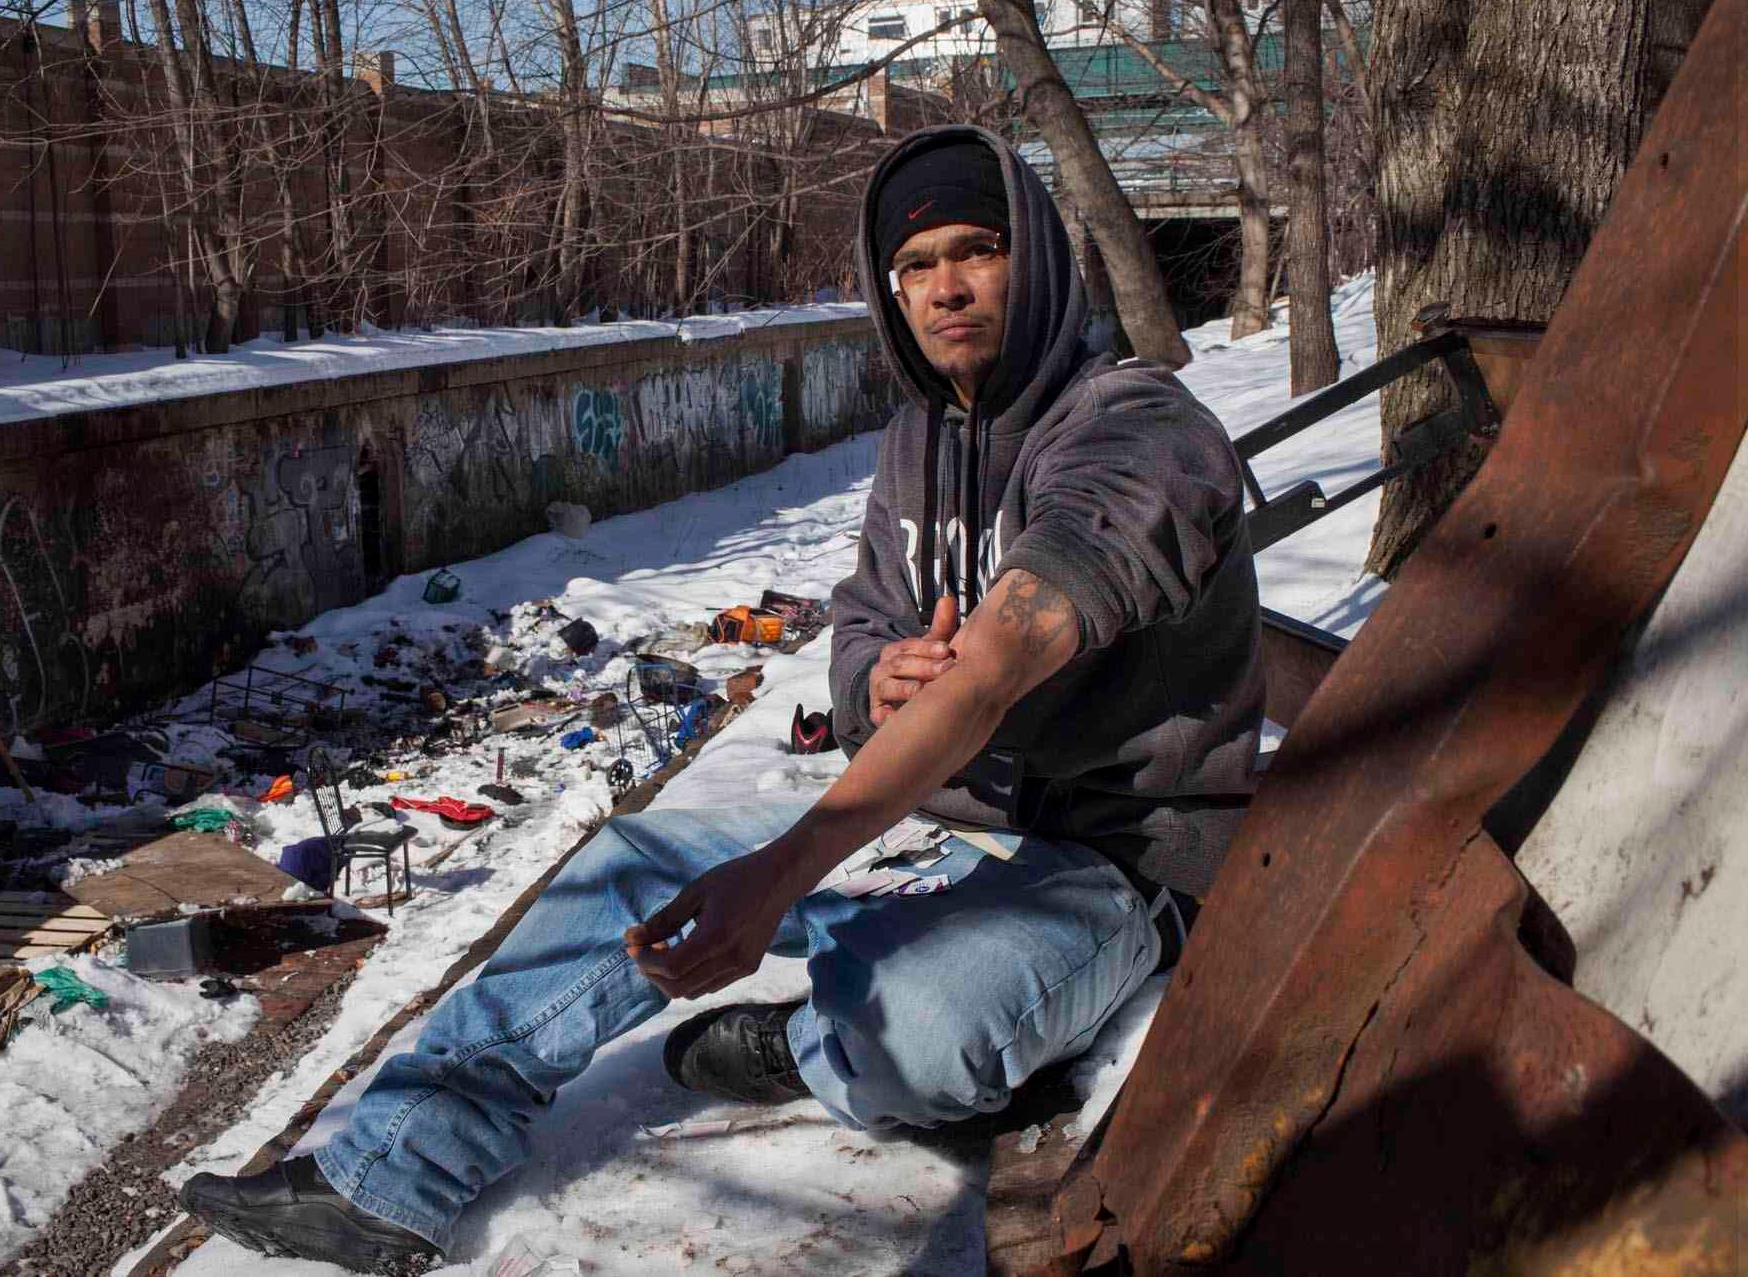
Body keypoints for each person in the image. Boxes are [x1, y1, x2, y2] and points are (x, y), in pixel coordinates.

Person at [180, 125, 1263, 1273]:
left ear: (1034, 256)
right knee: (630, 864)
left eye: (974, 249)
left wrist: (783, 875)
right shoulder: (914, 443)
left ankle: (818, 1041)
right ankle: (392, 1179)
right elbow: (861, 635)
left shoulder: (1137, 435)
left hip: (1110, 859)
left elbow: (997, 663)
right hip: (944, 821)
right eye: (913, 267)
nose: (943, 287)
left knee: (921, 1028)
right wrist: (876, 680)